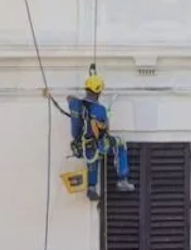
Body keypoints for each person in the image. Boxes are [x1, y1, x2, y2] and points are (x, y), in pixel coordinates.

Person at [44, 69, 135, 201]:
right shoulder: (100, 110)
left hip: (81, 146)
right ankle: (122, 178)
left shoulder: (75, 105)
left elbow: (69, 98)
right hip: (96, 144)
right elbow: (103, 128)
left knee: (92, 159)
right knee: (120, 143)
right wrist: (103, 124)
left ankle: (91, 188)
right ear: (98, 92)